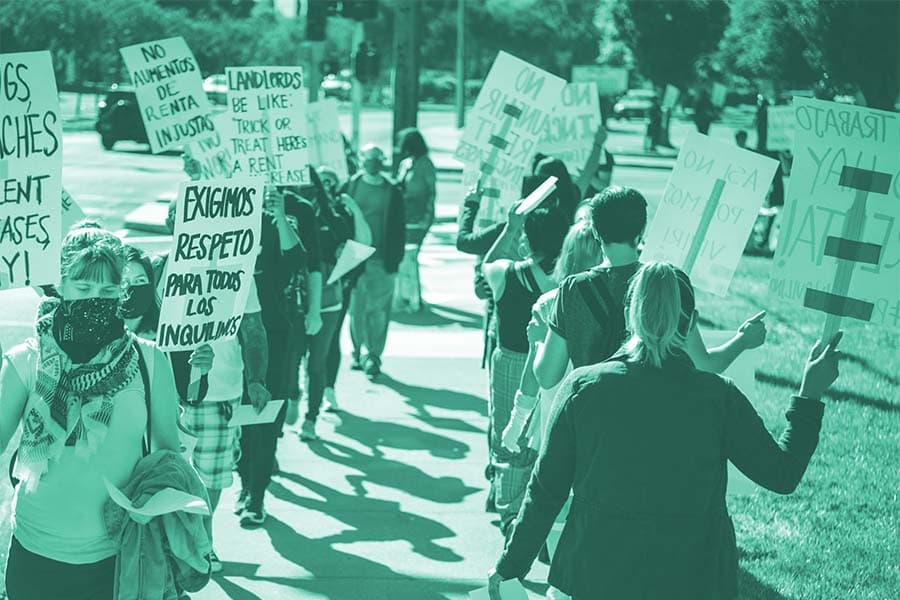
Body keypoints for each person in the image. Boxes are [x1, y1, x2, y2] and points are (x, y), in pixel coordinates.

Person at [488, 261, 842, 600]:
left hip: (598, 572)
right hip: (693, 577)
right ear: (691, 324)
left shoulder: (583, 388)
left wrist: (510, 568)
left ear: (631, 315)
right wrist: (808, 396)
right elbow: (781, 475)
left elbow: (545, 492)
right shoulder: (718, 397)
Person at [0, 225, 181, 599]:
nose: (95, 299)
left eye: (108, 291)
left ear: (122, 294)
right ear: (60, 286)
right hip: (35, 554)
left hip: (118, 558)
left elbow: (168, 458)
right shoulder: (26, 361)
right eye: (83, 289)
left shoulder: (150, 361)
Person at [534, 186, 768, 392]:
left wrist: (538, 342)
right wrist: (743, 340)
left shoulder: (573, 290)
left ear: (595, 231)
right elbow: (704, 365)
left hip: (590, 420)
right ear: (641, 232)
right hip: (658, 418)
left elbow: (547, 377)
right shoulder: (671, 282)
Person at [482, 203, 569, 536]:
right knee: (543, 435)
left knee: (509, 433)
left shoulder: (507, 273)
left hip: (512, 360)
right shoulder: (567, 281)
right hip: (556, 362)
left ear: (528, 238)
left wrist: (510, 227)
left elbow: (486, 264)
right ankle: (535, 508)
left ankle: (511, 511)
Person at [295, 167, 358, 441]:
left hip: (329, 301)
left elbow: (357, 243)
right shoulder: (288, 211)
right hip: (295, 300)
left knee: (316, 364)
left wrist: (326, 203)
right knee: (292, 361)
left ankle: (311, 418)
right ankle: (293, 396)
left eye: (314, 185)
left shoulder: (333, 216)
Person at [343, 143, 405, 381]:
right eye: (369, 159)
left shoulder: (393, 191)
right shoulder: (350, 186)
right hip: (356, 259)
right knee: (356, 310)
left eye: (377, 160)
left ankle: (374, 356)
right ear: (361, 161)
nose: (373, 164)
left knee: (378, 311)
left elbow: (399, 227)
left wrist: (395, 260)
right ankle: (357, 351)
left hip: (382, 260)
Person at [321, 167, 372, 413]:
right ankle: (309, 388)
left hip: (338, 286)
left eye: (330, 181)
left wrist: (354, 206)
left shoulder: (342, 211)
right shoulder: (308, 207)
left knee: (330, 340)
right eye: (322, 181)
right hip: (310, 287)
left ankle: (328, 389)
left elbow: (364, 240)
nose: (327, 186)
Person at [394, 128, 437, 314]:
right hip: (404, 215)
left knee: (410, 257)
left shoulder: (425, 164)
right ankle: (406, 294)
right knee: (404, 258)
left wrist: (426, 218)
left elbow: (431, 192)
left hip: (419, 217)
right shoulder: (405, 164)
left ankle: (413, 297)